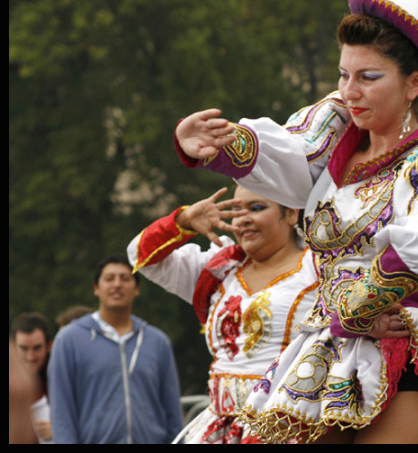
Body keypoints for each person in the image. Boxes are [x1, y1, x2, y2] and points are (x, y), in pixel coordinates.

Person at [173, 0, 418, 444]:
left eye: (369, 77)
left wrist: (356, 314)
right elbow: (285, 159)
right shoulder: (335, 132)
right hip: (329, 345)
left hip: (407, 345)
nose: (349, 91)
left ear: (414, 83)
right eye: (343, 75)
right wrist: (215, 145)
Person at [126, 184, 320, 443]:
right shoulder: (220, 268)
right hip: (220, 428)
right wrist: (184, 221)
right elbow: (140, 256)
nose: (243, 219)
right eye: (235, 210)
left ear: (291, 213)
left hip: (288, 427)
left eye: (256, 208)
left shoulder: (319, 268)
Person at [47, 255, 183, 443]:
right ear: (96, 288)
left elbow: (173, 411)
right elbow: (61, 411)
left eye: (125, 279)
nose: (117, 284)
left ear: (137, 289)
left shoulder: (157, 342)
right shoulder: (69, 340)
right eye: (109, 278)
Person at [10, 312, 53, 443]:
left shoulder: (60, 376)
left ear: (49, 346)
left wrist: (60, 428)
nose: (31, 357)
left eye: (37, 348)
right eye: (24, 348)